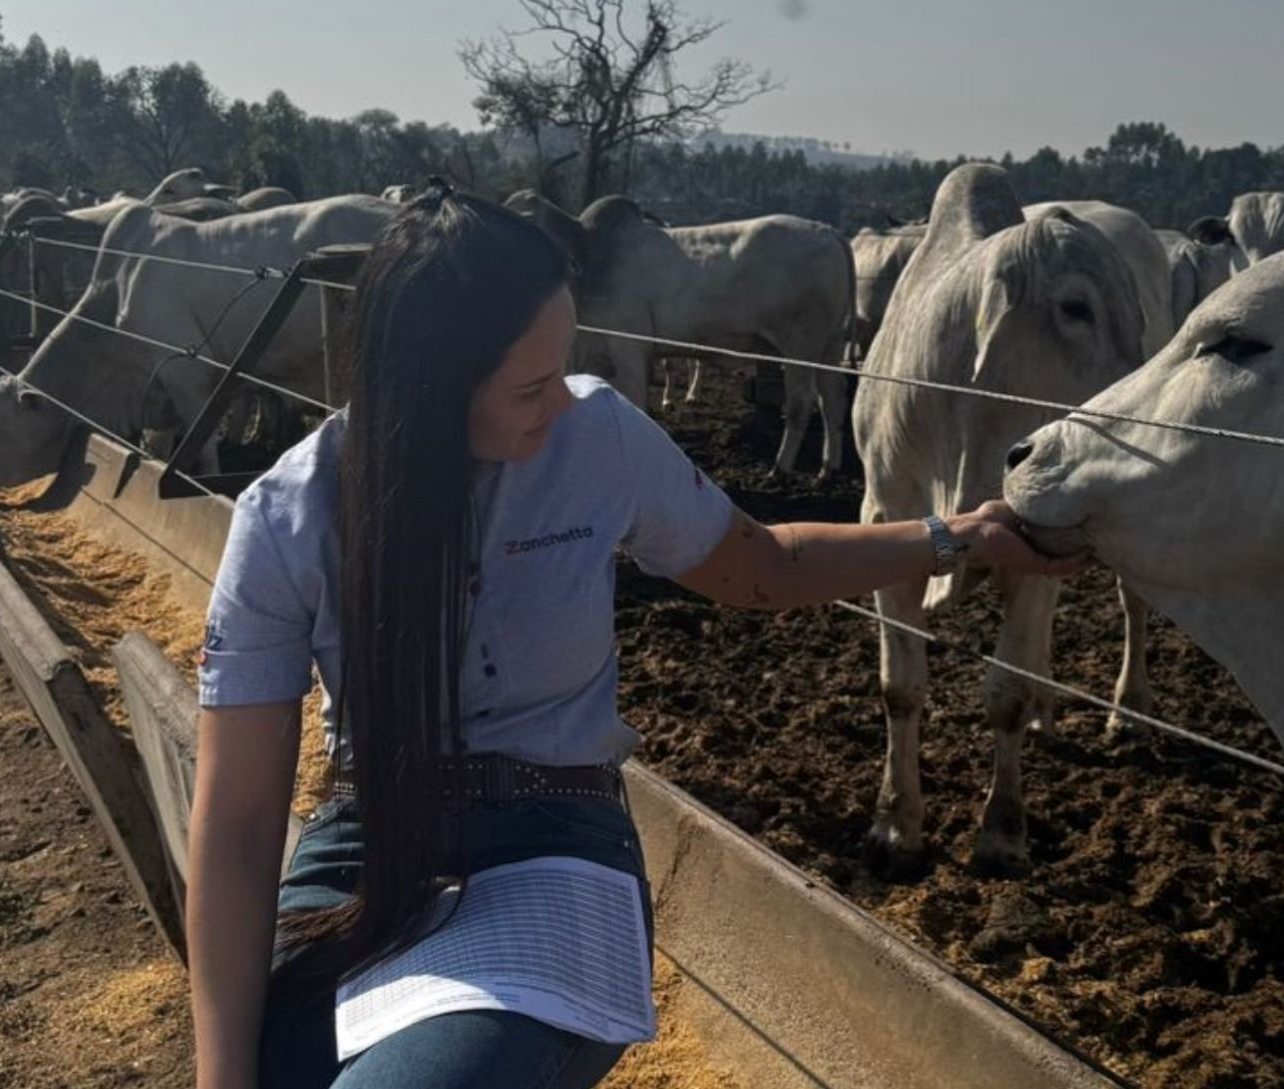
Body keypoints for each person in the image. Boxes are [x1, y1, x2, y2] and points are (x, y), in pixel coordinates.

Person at [185, 182, 1088, 1089]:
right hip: (367, 842)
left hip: (550, 843)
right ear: (428, 391)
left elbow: (763, 564)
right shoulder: (289, 516)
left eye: (565, 365)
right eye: (532, 385)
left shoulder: (597, 441)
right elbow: (240, 818)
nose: (566, 400)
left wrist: (947, 534)